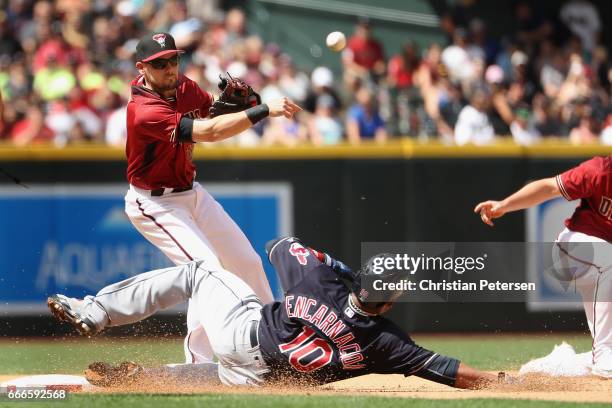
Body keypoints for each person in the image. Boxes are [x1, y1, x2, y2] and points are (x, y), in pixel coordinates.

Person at [48, 236, 504, 388]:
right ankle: (144, 377)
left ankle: (97, 313)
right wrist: (505, 381)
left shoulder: (317, 280)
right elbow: (447, 370)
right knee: (222, 377)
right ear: (386, 304)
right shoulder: (386, 342)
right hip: (266, 378)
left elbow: (279, 245)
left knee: (201, 272)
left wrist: (333, 266)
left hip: (243, 336)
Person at [122, 32, 300, 365]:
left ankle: (274, 346)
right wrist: (261, 110)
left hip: (191, 192)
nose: (170, 68)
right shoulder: (143, 111)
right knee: (208, 273)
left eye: (174, 60)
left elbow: (212, 115)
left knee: (246, 263)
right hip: (154, 203)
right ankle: (198, 363)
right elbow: (211, 132)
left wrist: (240, 102)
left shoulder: (184, 86)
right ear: (142, 68)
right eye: (160, 64)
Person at [474, 156, 612, 378]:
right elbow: (548, 187)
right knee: (609, 259)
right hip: (572, 250)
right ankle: (605, 356)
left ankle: (553, 365)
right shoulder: (601, 170)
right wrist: (504, 205)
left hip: (604, 266)